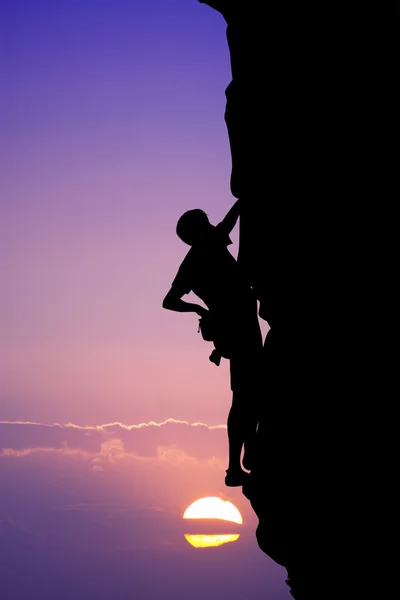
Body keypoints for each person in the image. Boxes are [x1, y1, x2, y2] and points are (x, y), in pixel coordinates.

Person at [162, 199, 263, 486]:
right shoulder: (204, 251)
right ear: (197, 231)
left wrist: (197, 308)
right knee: (247, 393)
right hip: (239, 329)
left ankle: (246, 454)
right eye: (204, 224)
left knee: (248, 392)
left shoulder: (200, 254)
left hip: (236, 328)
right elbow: (169, 301)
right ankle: (237, 463)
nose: (210, 226)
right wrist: (244, 198)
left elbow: (170, 301)